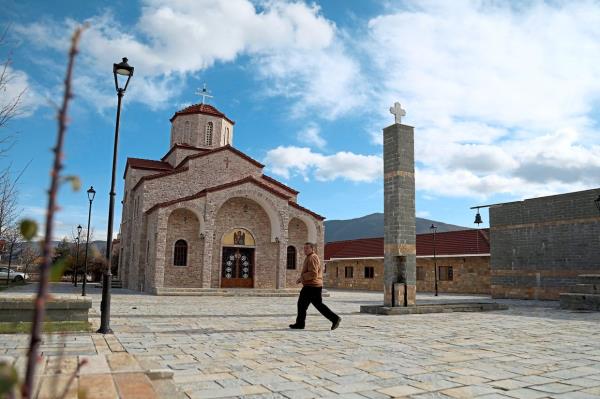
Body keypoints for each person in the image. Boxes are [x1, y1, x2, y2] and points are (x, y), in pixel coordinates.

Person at [289, 242, 341, 330]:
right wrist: (302, 278)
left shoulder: (312, 257)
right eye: (304, 248)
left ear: (312, 249)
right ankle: (300, 323)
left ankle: (335, 319)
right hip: (312, 286)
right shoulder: (309, 257)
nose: (305, 250)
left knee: (304, 304)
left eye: (307, 248)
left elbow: (313, 273)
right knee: (307, 305)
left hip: (312, 286)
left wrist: (302, 278)